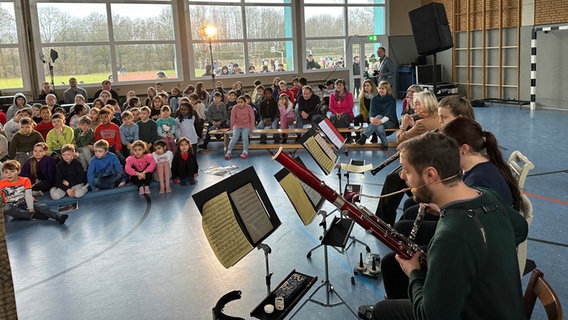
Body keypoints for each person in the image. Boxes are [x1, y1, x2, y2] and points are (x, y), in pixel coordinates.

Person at [361, 131, 528, 320]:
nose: (402, 175)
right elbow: (521, 228)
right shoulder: (487, 195)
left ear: (431, 174)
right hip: (504, 310)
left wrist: (414, 272)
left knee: (382, 311)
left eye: (407, 170)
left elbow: (430, 317)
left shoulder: (451, 235)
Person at [374, 91, 442, 226]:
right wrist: (413, 126)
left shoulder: (422, 123)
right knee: (395, 179)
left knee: (393, 180)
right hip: (432, 161)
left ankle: (381, 222)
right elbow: (421, 137)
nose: (414, 107)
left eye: (417, 104)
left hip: (425, 166)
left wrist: (404, 126)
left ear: (426, 104)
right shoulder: (436, 118)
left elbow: (400, 140)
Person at [0, 160, 68, 224]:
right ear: (3, 173)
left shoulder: (25, 180)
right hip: (14, 207)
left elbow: (28, 195)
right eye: (6, 172)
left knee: (42, 207)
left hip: (28, 202)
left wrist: (31, 208)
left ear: (18, 171)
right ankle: (33, 215)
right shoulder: (1, 184)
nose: (9, 174)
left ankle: (58, 216)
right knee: (6, 208)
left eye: (12, 171)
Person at [356, 81, 397, 149]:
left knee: (379, 117)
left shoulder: (392, 100)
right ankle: (385, 143)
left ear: (387, 89)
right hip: (377, 122)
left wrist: (380, 121)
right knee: (379, 127)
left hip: (390, 121)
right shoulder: (374, 98)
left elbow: (390, 114)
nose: (380, 90)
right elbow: (371, 112)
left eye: (383, 89)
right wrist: (372, 119)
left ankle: (364, 136)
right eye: (379, 88)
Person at [225, 96, 255, 160]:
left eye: (241, 102)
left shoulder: (249, 107)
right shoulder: (235, 107)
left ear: (245, 102)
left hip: (246, 125)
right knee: (235, 137)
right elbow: (232, 117)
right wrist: (232, 126)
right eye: (238, 102)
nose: (239, 104)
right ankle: (229, 152)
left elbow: (252, 117)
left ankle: (245, 151)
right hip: (237, 125)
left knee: (244, 136)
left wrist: (252, 126)